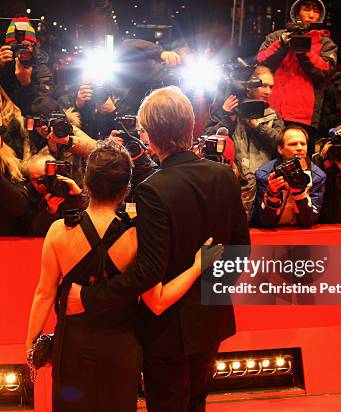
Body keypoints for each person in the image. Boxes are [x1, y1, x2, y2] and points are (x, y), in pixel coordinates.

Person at [65, 86, 250, 411]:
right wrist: (208, 294)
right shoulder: (224, 176)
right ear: (190, 126)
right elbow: (240, 251)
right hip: (212, 323)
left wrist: (90, 297)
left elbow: (149, 270)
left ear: (150, 136)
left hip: (168, 329)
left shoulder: (153, 190)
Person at [26, 139, 220, 411]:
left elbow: (44, 294)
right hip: (121, 348)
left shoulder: (59, 231)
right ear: (126, 187)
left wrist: (31, 344)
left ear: (86, 182)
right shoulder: (138, 236)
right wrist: (198, 266)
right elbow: (159, 300)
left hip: (71, 346)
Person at [205, 65, 284, 213]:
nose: (268, 91)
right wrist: (227, 117)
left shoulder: (273, 115)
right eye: (263, 86)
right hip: (234, 182)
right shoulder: (226, 110)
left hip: (264, 181)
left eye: (271, 87)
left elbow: (281, 145)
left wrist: (257, 126)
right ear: (248, 86)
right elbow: (207, 141)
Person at [256, 0, 337, 136]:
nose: (311, 15)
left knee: (299, 156)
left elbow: (324, 71)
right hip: (270, 111)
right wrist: (281, 45)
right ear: (297, 12)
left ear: (320, 15)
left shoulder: (326, 43)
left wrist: (303, 49)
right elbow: (260, 62)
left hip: (303, 117)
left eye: (316, 11)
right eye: (306, 9)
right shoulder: (276, 37)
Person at [0, 17, 57, 116]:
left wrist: (26, 84)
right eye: (16, 47)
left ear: (33, 46)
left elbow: (42, 107)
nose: (21, 53)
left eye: (25, 47)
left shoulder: (39, 64)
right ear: (7, 46)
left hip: (24, 117)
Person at [252, 125, 326, 228]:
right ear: (280, 149)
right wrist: (272, 195)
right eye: (293, 144)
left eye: (303, 144)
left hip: (301, 234)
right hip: (273, 233)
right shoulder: (265, 174)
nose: (300, 148)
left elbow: (308, 221)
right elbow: (265, 222)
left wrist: (299, 193)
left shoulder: (317, 176)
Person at [21, 150, 88, 236]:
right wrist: (49, 212)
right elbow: (34, 233)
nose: (39, 183)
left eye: (43, 177)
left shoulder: (69, 188)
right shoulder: (27, 194)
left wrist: (79, 196)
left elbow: (90, 224)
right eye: (34, 179)